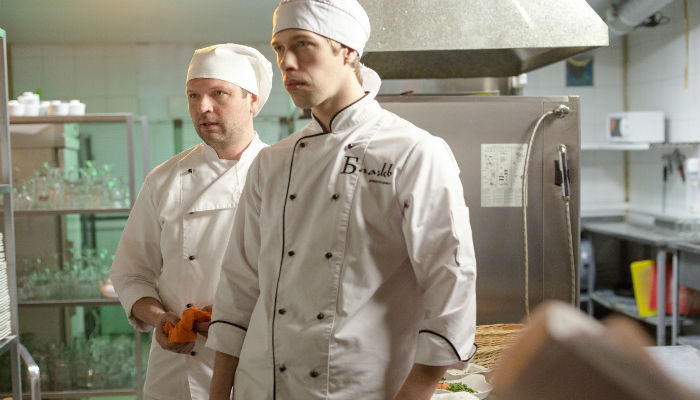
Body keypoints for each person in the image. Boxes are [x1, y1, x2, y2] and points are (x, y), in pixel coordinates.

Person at [207, 1, 477, 399]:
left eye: (303, 44)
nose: (287, 62)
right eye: (279, 48)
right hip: (261, 385)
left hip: (355, 386)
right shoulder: (272, 162)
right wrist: (218, 391)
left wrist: (418, 389)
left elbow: (450, 279)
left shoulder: (413, 151)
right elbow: (239, 284)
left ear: (348, 51)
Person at [109, 43, 272, 400]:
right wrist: (159, 318)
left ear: (253, 101)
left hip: (258, 361)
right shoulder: (164, 180)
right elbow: (130, 274)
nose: (203, 107)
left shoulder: (282, 175)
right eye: (193, 96)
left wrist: (234, 317)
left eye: (218, 94)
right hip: (176, 368)